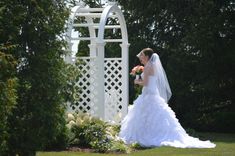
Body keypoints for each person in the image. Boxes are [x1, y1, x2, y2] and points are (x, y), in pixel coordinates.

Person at [119, 48, 216, 148]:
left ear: (147, 57)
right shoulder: (151, 66)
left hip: (149, 93)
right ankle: (151, 134)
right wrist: (139, 75)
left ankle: (147, 135)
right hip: (151, 92)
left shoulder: (148, 67)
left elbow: (146, 83)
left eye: (142, 55)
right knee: (153, 114)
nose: (141, 57)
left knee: (146, 114)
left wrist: (137, 81)